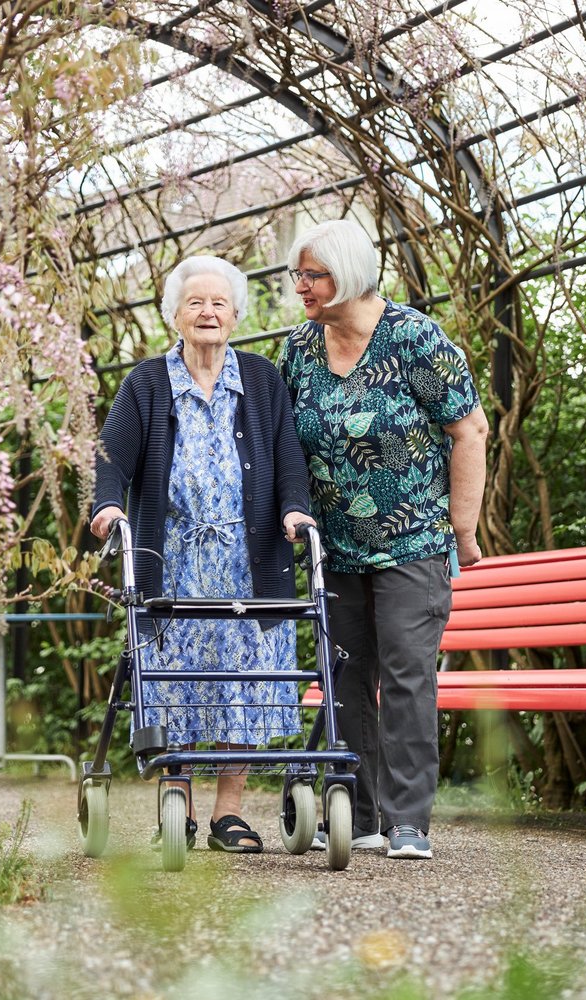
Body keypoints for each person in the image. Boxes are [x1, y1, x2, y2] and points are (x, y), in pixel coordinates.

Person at [91, 255, 318, 854]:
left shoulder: (264, 381)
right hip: (175, 557)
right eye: (195, 302)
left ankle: (229, 813)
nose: (208, 312)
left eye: (219, 303)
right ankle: (178, 803)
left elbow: (289, 459)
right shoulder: (146, 382)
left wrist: (296, 510)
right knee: (177, 681)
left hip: (251, 558)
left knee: (243, 681)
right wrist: (107, 507)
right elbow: (110, 457)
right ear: (175, 314)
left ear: (237, 314)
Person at [277, 219, 488, 860]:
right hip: (333, 548)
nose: (301, 286)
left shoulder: (413, 338)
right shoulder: (299, 349)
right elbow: (286, 445)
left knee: (405, 676)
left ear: (347, 273)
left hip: (412, 543)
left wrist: (463, 528)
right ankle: (362, 815)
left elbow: (470, 431)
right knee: (345, 678)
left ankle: (408, 822)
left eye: (312, 275)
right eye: (298, 275)